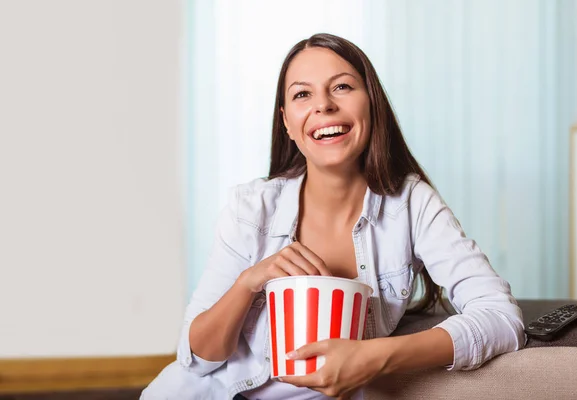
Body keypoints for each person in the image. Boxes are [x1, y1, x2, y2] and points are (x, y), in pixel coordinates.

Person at [141, 33, 525, 400]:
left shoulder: (411, 205)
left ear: (371, 104)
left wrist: (374, 357)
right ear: (288, 123)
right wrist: (249, 283)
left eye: (342, 87)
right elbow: (198, 358)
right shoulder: (251, 210)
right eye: (302, 94)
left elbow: (501, 317)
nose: (323, 105)